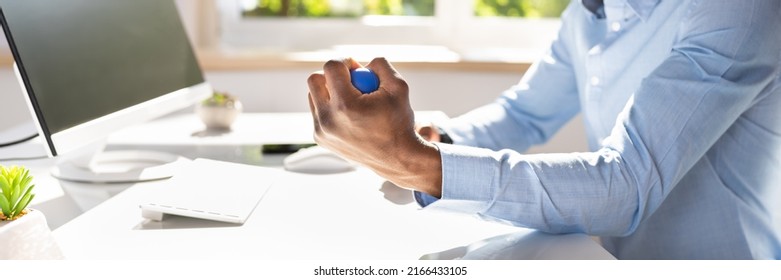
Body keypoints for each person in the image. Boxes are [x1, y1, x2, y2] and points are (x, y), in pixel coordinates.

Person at [306, 0, 781, 259]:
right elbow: (525, 113)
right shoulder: (586, 16)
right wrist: (435, 141)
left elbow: (626, 185)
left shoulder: (737, 11)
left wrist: (417, 163)